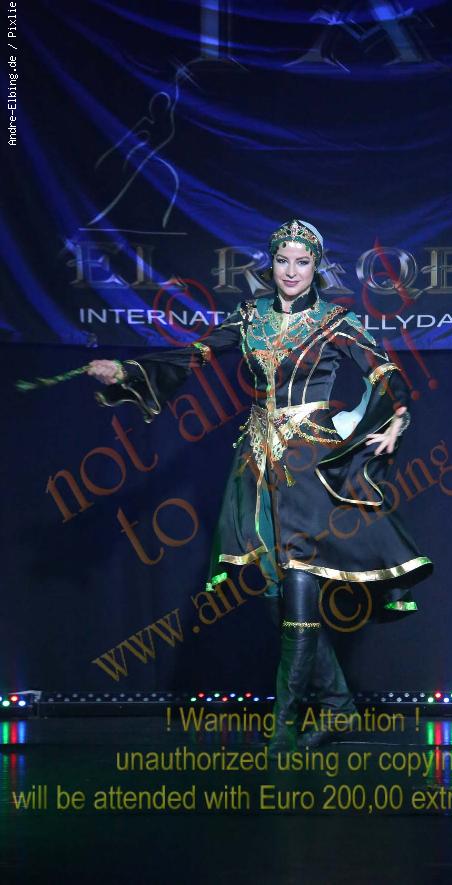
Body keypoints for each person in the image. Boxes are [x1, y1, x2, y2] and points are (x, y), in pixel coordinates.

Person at [87, 218, 433, 755]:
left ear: (316, 267)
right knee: (276, 593)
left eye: (303, 262)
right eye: (283, 261)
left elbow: (384, 371)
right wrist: (128, 371)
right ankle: (338, 705)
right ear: (270, 264)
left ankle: (285, 725)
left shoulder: (335, 321)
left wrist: (397, 417)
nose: (292, 271)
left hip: (308, 459)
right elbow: (195, 354)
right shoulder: (249, 317)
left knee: (298, 577)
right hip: (254, 462)